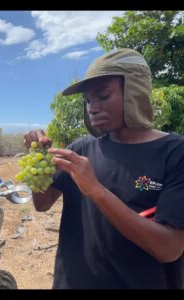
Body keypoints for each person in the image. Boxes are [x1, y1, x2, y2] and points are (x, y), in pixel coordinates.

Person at [24, 48, 184, 289]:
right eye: (88, 100)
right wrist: (40, 164)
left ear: (134, 91)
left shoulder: (174, 152)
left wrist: (96, 190)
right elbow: (42, 204)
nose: (92, 108)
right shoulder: (81, 148)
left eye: (103, 96)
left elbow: (169, 248)